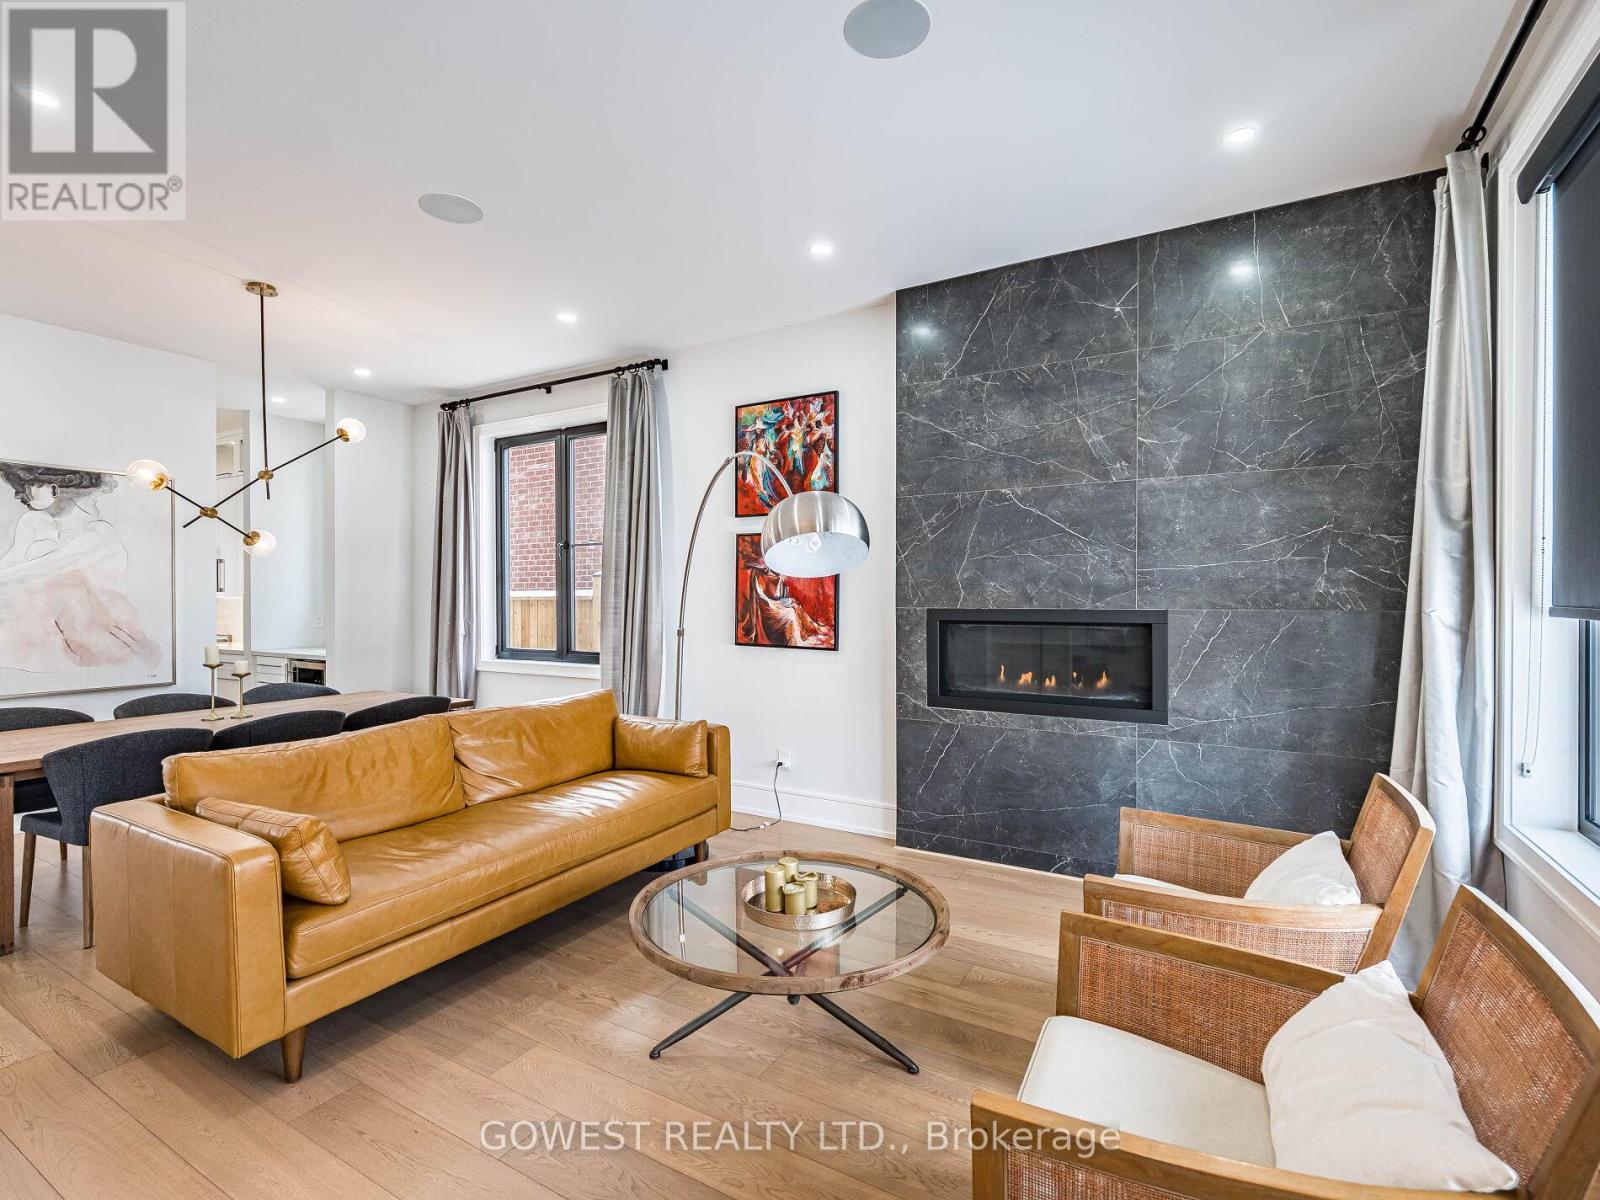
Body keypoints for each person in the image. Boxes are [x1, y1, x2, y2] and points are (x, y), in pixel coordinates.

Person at [0, 463, 160, 673]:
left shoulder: (99, 532)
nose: (19, 494)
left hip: (104, 634)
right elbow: (11, 564)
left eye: (28, 485)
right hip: (47, 635)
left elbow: (48, 566)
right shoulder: (34, 522)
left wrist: (7, 576)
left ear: (53, 487)